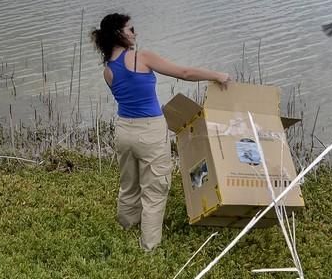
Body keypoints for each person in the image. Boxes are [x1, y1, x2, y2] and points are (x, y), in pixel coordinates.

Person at [91, 13, 230, 251]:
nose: (135, 33)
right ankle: (149, 246)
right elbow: (184, 73)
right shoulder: (141, 57)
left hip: (124, 130)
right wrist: (217, 75)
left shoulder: (108, 71)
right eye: (131, 29)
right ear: (119, 34)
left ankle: (126, 226)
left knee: (129, 184)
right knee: (155, 189)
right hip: (150, 131)